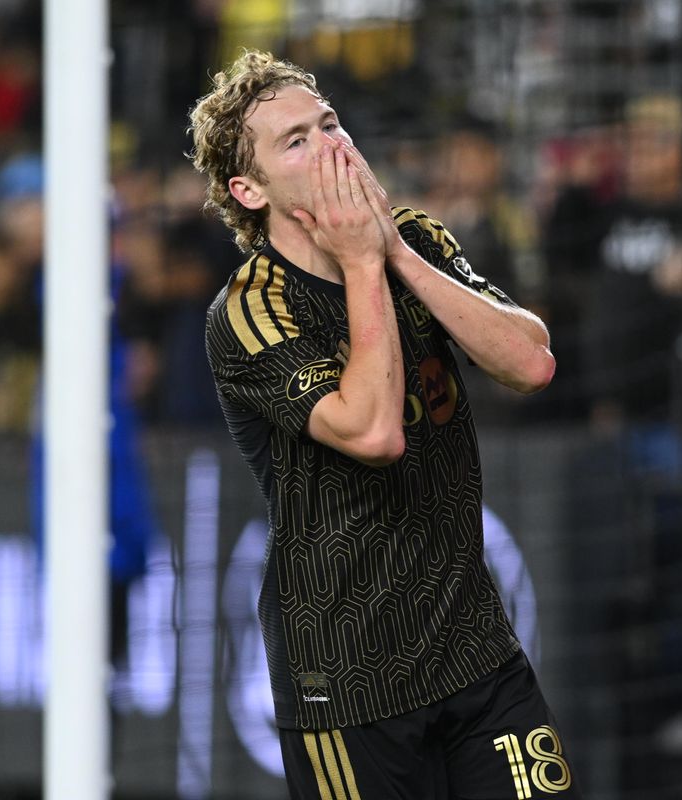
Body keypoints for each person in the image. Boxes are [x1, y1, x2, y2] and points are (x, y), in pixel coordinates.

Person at [189, 51, 577, 799]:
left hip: (473, 648)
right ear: (249, 189)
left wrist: (393, 251)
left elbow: (531, 362)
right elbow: (373, 434)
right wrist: (364, 266)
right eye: (296, 140)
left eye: (330, 123)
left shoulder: (414, 237)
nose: (331, 145)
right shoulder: (248, 310)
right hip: (348, 681)